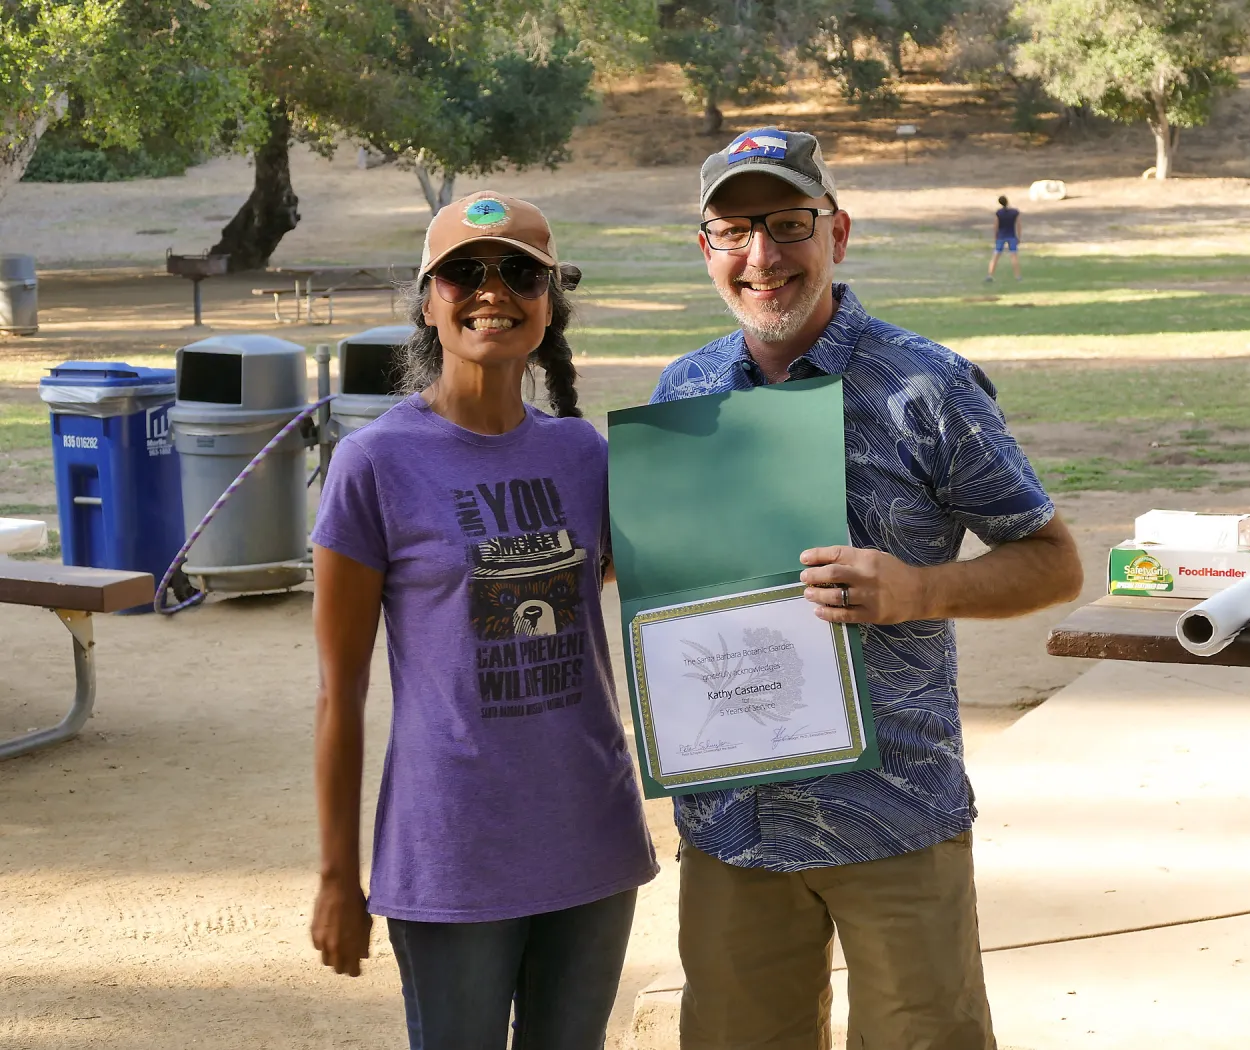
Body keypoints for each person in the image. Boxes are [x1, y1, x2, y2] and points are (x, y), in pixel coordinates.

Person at [651, 128, 1083, 1050]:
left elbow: (1054, 560)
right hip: (735, 825)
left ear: (836, 232)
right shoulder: (681, 393)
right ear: (706, 251)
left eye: (787, 224)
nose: (762, 257)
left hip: (894, 818)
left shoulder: (927, 386)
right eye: (733, 231)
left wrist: (918, 591)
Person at [309, 190, 658, 1050]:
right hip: (452, 843)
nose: (491, 290)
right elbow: (338, 694)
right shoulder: (373, 464)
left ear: (550, 302)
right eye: (463, 272)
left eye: (519, 273)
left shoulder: (587, 457)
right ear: (429, 302)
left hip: (592, 836)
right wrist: (335, 877)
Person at [986, 194, 1021, 282]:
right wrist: (1019, 236)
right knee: (1014, 256)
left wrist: (995, 236)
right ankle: (1017, 276)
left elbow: (996, 225)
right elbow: (1018, 225)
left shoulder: (999, 213)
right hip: (1012, 235)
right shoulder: (1014, 212)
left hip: (1001, 236)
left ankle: (990, 275)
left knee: (996, 256)